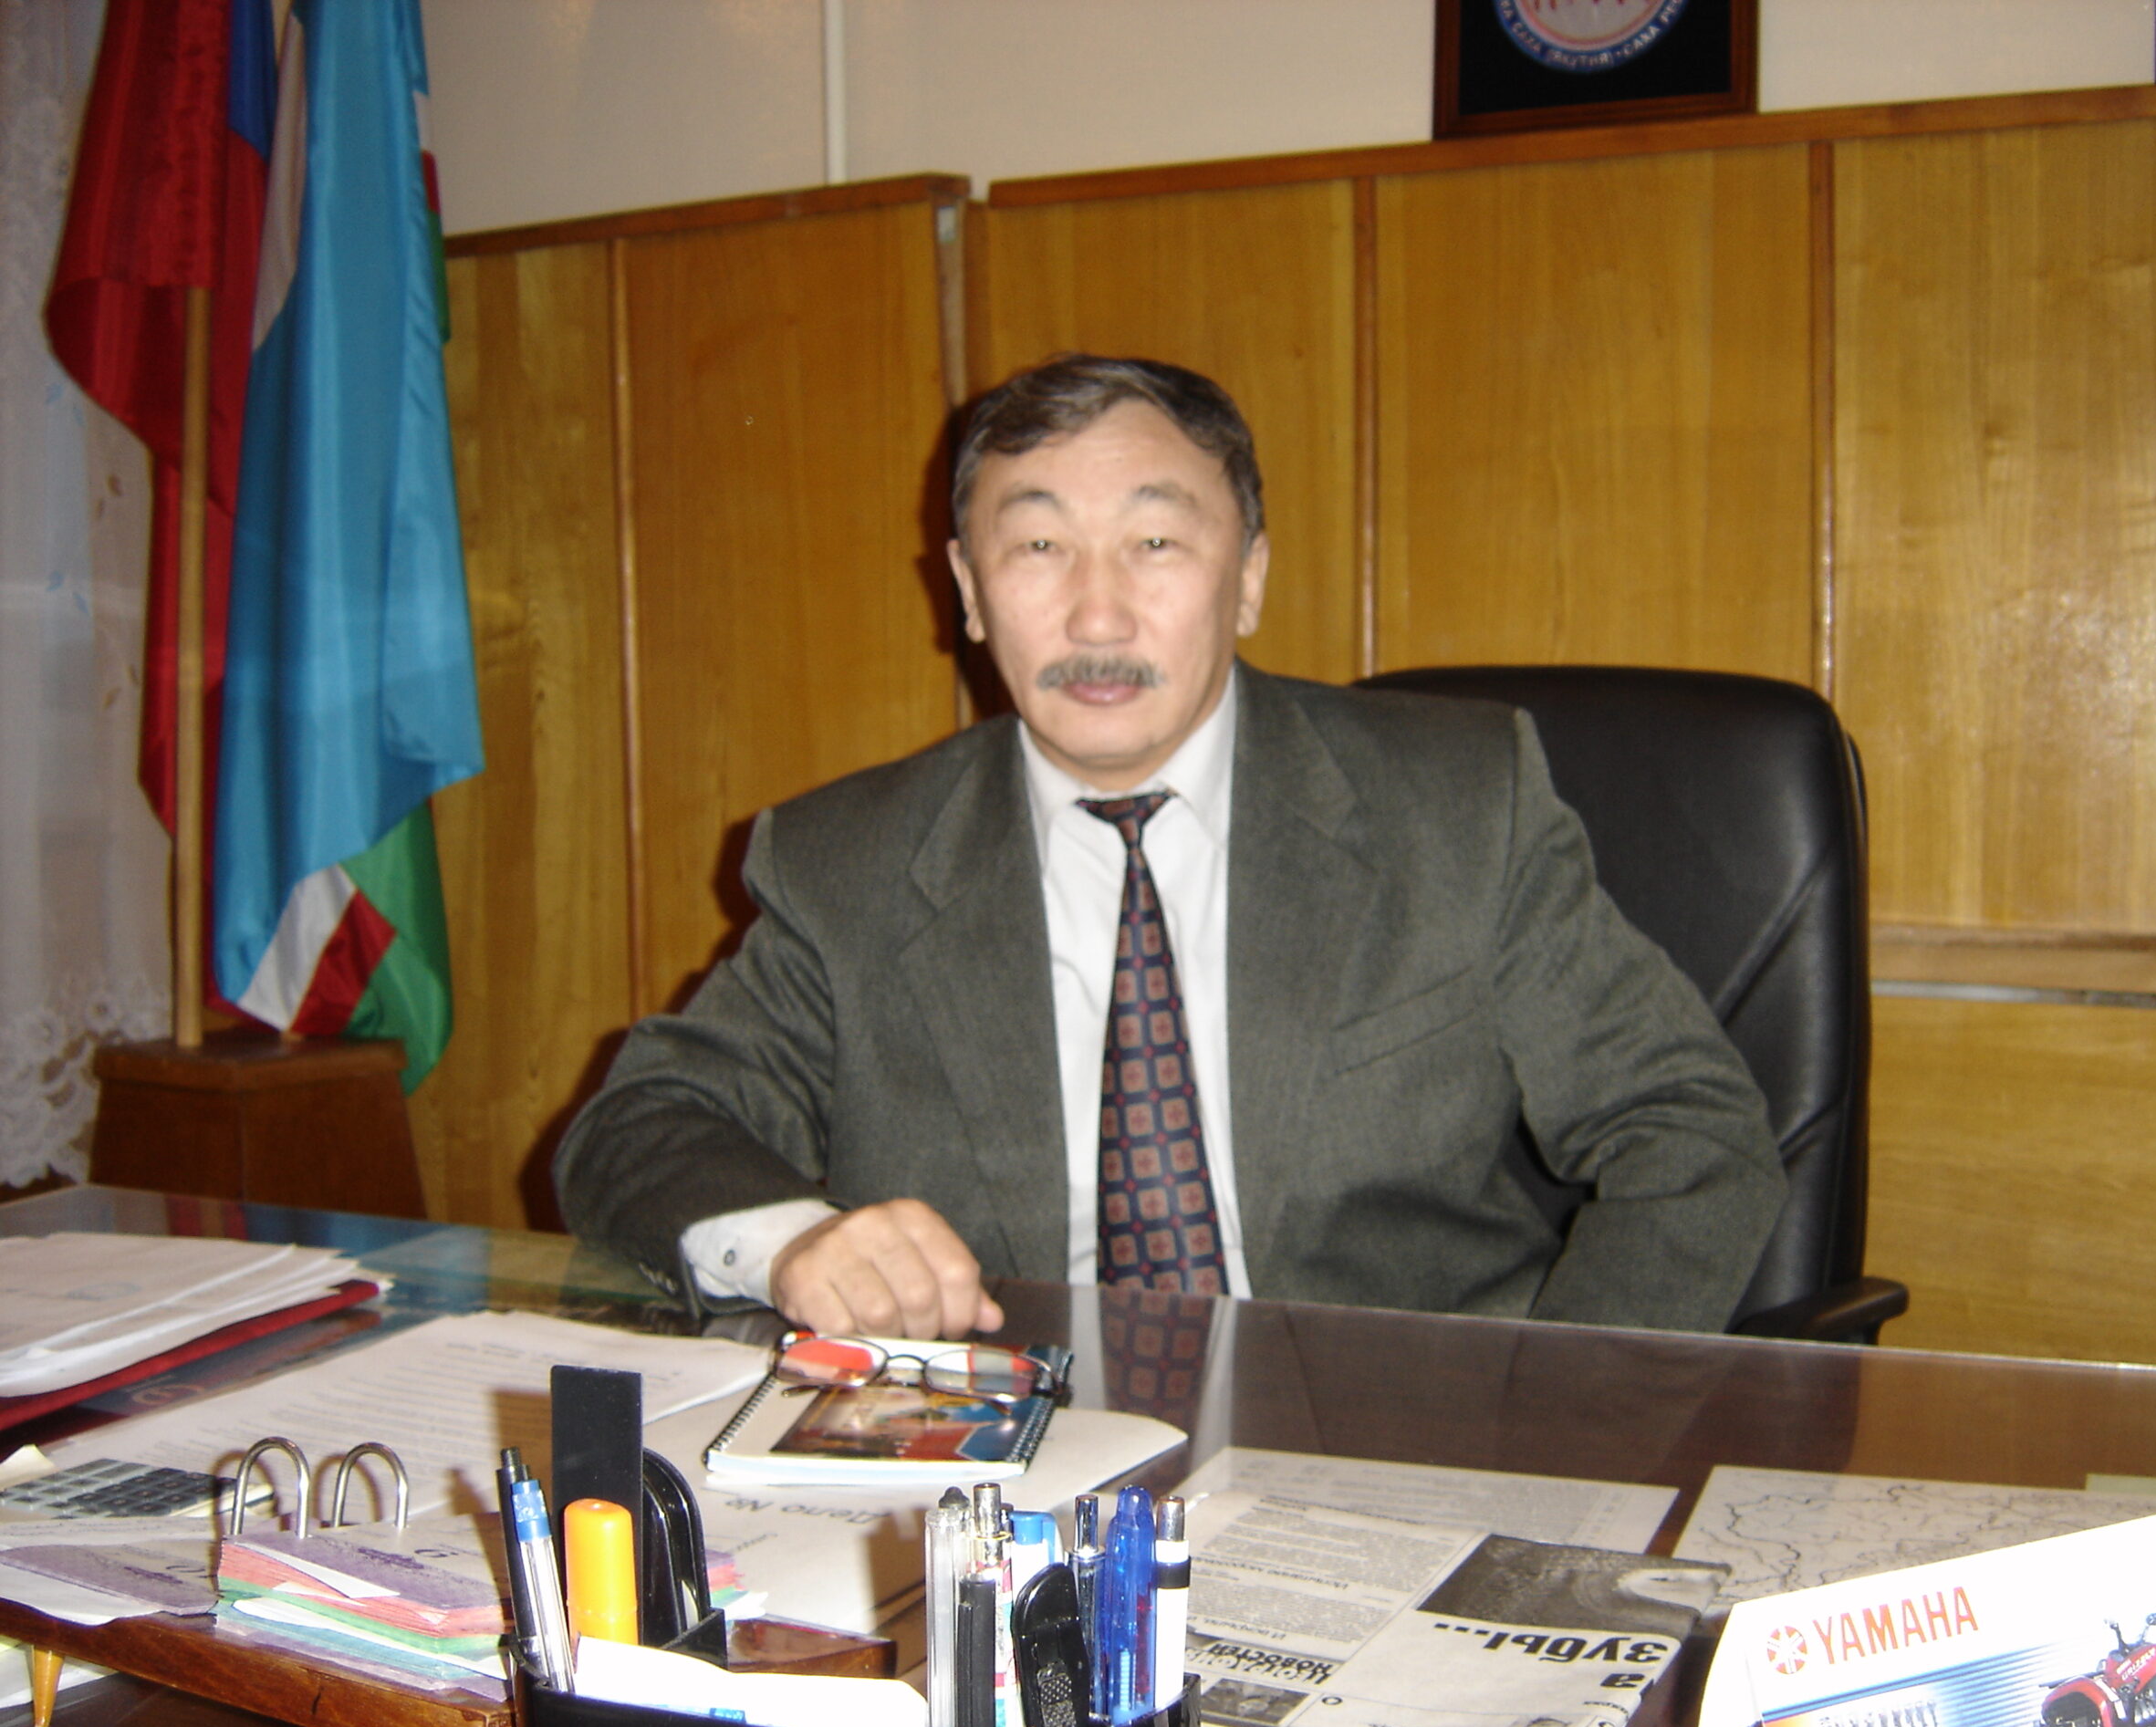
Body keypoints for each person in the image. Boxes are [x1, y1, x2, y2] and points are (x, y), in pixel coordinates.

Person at [553, 355, 1785, 1339]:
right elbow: (640, 1122)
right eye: (1038, 547)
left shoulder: (1456, 808)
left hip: (1392, 1461)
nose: (1097, 614)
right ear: (969, 591)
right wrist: (794, 1244)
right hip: (1024, 1478)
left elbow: (1690, 1128)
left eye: (1155, 543)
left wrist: (1558, 1421)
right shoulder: (851, 865)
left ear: (1246, 577)